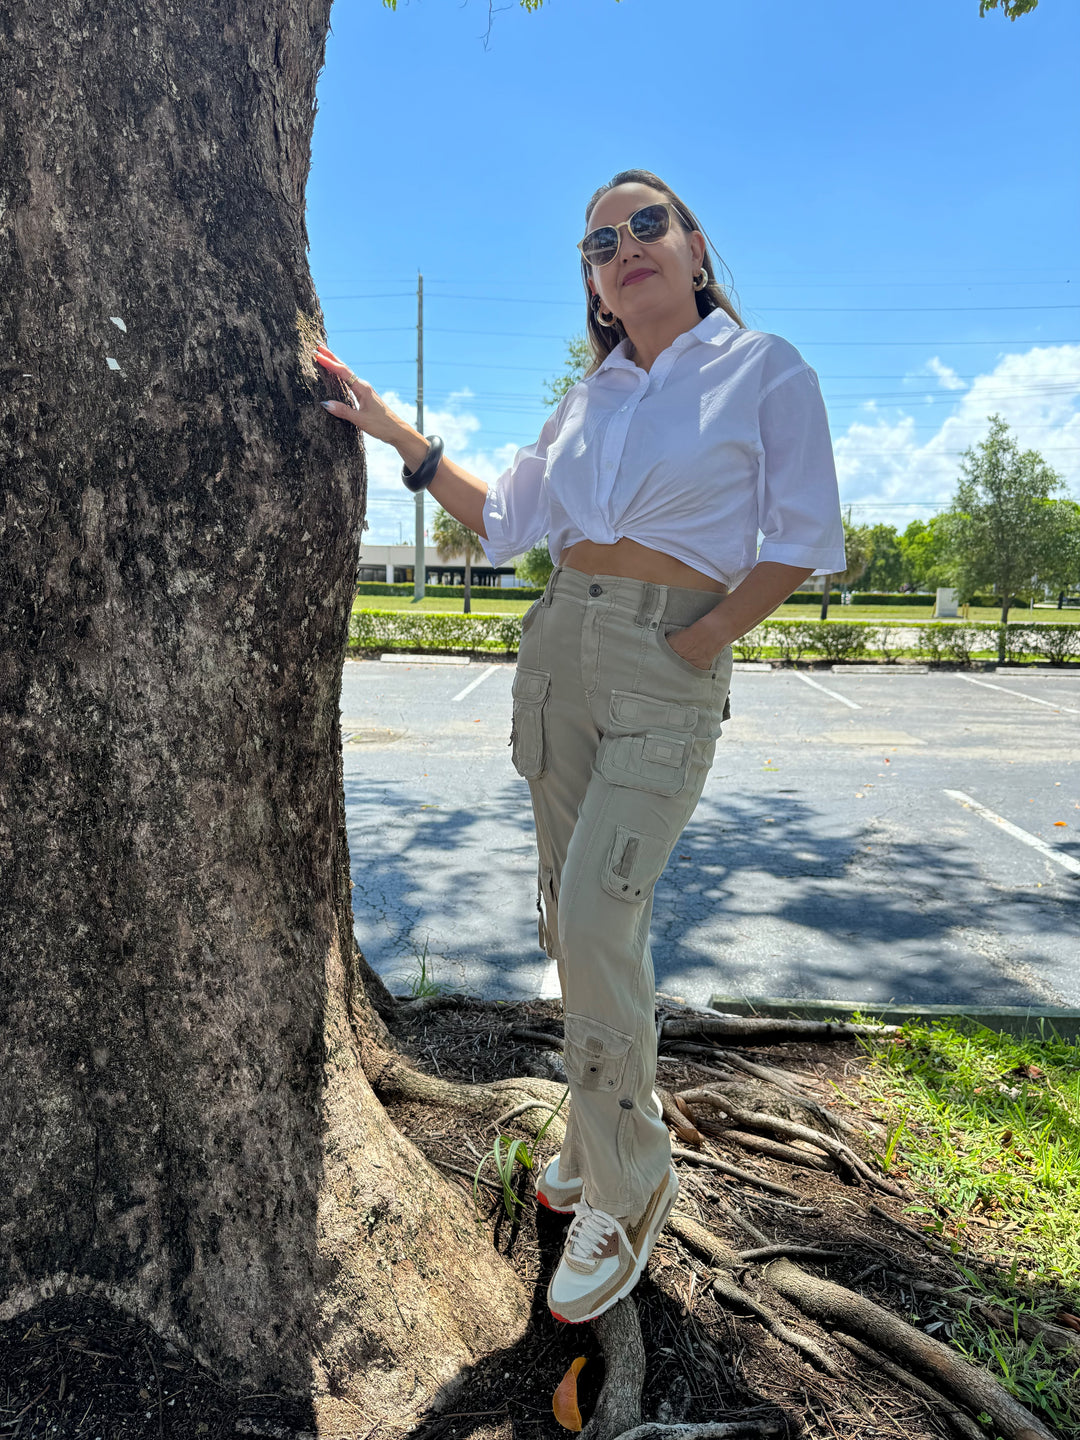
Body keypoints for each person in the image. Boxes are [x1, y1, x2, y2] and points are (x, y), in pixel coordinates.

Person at [315, 168, 845, 1326]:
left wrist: (702, 638)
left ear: (696, 250)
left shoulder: (765, 370)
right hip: (559, 650)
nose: (625, 247)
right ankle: (595, 1130)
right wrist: (396, 432)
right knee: (570, 914)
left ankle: (629, 1182)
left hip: (666, 659)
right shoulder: (590, 398)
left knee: (605, 920)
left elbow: (803, 534)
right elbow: (506, 524)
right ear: (598, 289)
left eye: (647, 224)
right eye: (601, 242)